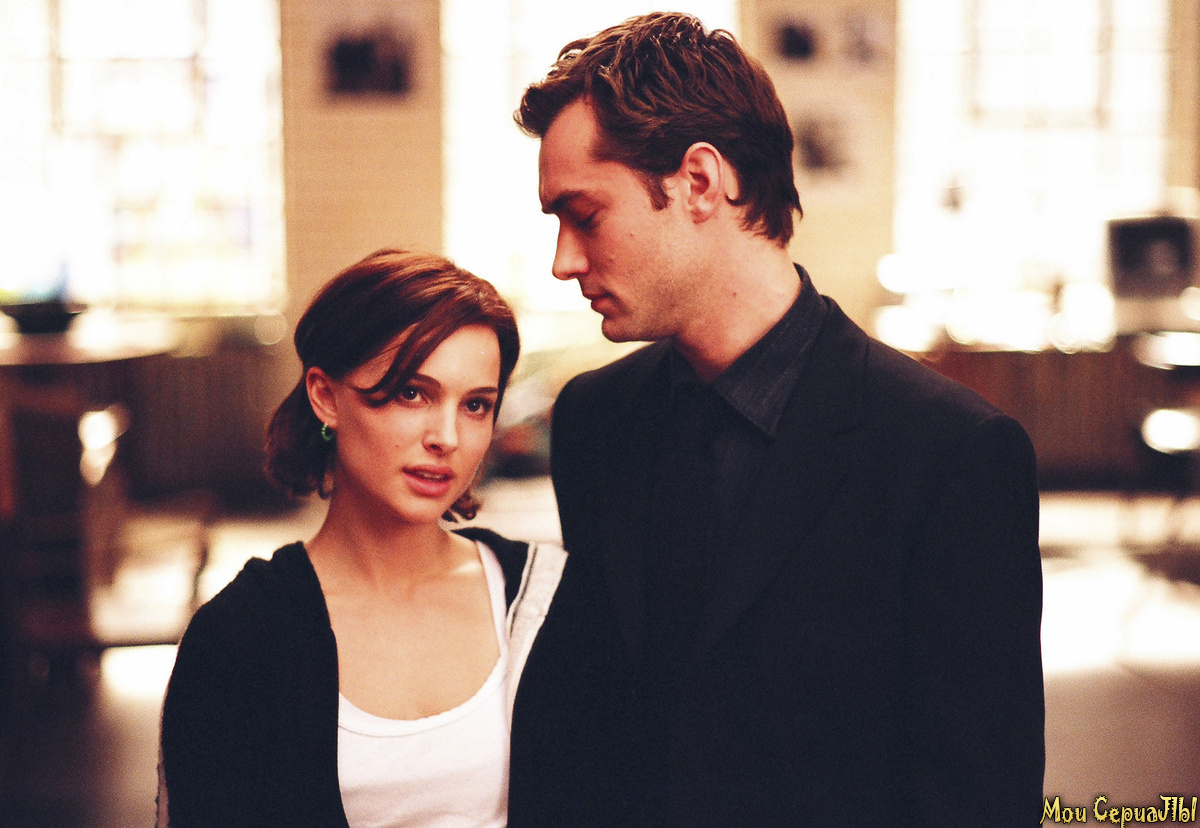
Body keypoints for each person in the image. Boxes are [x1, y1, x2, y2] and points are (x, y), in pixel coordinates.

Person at [507, 12, 1044, 827]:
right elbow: (596, 724)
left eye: (585, 215)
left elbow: (979, 795)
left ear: (699, 181)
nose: (564, 261)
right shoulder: (595, 418)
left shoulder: (949, 453)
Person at [156, 249, 566, 828]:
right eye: (412, 393)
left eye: (476, 405)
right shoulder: (240, 637)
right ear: (325, 396)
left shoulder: (545, 602)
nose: (447, 437)